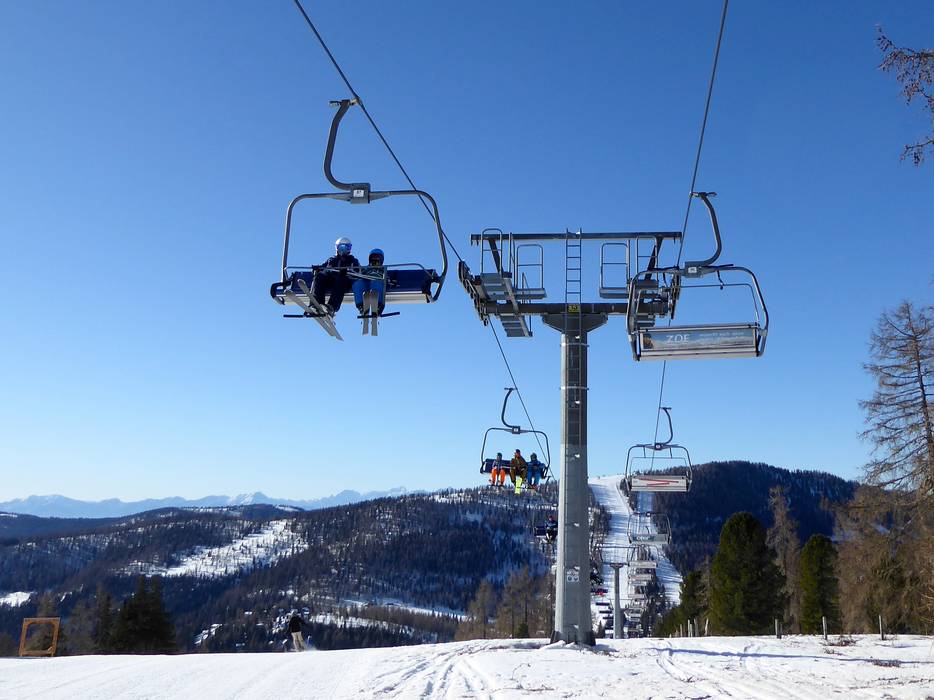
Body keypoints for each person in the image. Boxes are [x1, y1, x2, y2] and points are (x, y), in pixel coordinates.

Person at [312, 237, 360, 315]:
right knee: (320, 276)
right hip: (331, 279)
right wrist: (317, 269)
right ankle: (317, 304)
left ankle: (331, 306)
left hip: (345, 282)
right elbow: (323, 268)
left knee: (341, 279)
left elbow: (357, 272)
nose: (344, 250)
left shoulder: (353, 261)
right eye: (341, 247)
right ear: (337, 248)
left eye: (347, 248)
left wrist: (347, 271)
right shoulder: (332, 260)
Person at [352, 248, 387, 315]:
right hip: (366, 283)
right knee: (357, 284)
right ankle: (361, 306)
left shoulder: (382, 269)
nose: (375, 259)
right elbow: (359, 274)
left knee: (376, 283)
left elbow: (386, 277)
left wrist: (388, 280)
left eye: (377, 257)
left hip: (376, 282)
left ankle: (378, 305)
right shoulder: (366, 268)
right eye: (373, 257)